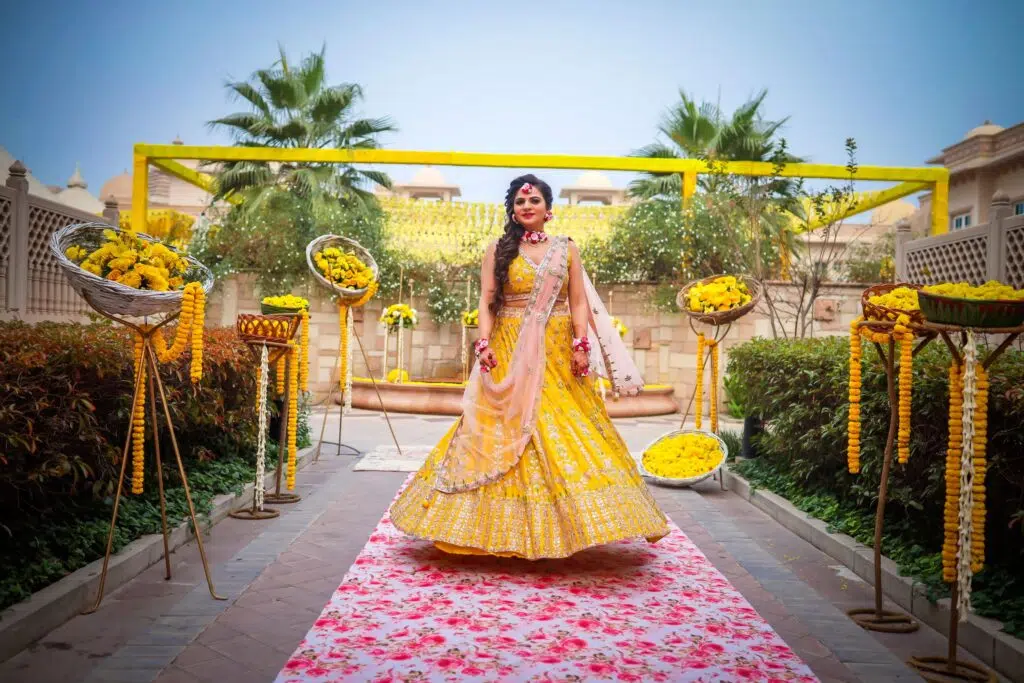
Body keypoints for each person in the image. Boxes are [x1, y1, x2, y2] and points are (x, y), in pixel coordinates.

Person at [389, 174, 669, 559]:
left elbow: (578, 303)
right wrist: (483, 343)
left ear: (548, 210)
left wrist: (580, 344)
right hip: (509, 344)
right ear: (513, 209)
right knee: (500, 423)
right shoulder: (498, 250)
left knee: (566, 422)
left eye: (533, 201)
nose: (526, 207)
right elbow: (488, 301)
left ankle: (577, 525)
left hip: (556, 349)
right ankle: (484, 532)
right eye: (520, 203)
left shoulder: (566, 250)